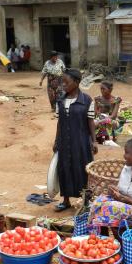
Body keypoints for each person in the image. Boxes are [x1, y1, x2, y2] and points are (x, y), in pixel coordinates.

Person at [53, 69, 97, 212]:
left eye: (66, 82)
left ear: (77, 83)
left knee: (82, 169)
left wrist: (94, 141)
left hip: (81, 141)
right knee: (64, 168)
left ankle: (86, 202)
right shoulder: (60, 100)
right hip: (64, 141)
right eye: (62, 82)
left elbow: (90, 121)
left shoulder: (87, 100)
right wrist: (56, 140)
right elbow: (59, 122)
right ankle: (66, 200)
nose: (63, 85)